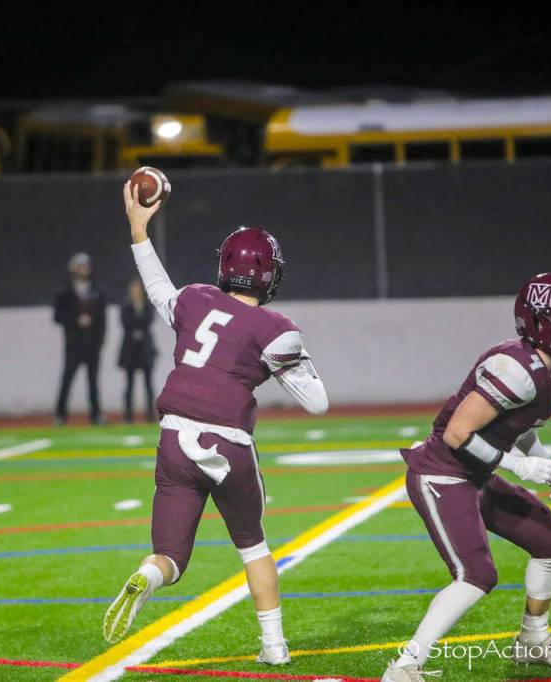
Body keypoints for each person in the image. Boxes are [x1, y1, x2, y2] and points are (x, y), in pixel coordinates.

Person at [102, 181, 328, 666]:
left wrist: (139, 229)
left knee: (171, 556)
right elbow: (316, 402)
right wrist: (285, 364)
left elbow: (158, 287)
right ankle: (274, 647)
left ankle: (149, 572)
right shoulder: (276, 329)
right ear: (268, 275)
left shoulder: (195, 299)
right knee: (253, 547)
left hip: (173, 439)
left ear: (225, 267)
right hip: (226, 442)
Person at [383, 273, 551, 682]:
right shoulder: (515, 369)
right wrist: (521, 467)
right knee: (477, 575)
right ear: (542, 321)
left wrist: (543, 459)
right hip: (442, 474)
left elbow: (521, 427)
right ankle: (406, 665)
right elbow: (456, 434)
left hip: (478, 474)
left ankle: (532, 641)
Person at [53, 252, 106, 425]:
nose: (84, 269)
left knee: (93, 382)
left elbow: (102, 320)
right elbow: (57, 316)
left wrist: (99, 341)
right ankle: (60, 415)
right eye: (80, 265)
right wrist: (75, 321)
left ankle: (96, 415)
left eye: (86, 266)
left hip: (92, 344)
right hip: (73, 343)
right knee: (67, 379)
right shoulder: (65, 291)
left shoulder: (97, 291)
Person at [118, 276, 157, 423]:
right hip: (130, 350)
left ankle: (150, 416)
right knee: (129, 385)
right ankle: (128, 416)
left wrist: (139, 312)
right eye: (133, 289)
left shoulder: (147, 305)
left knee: (148, 384)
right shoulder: (126, 305)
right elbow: (125, 323)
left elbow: (149, 321)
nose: (135, 292)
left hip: (145, 349)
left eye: (138, 289)